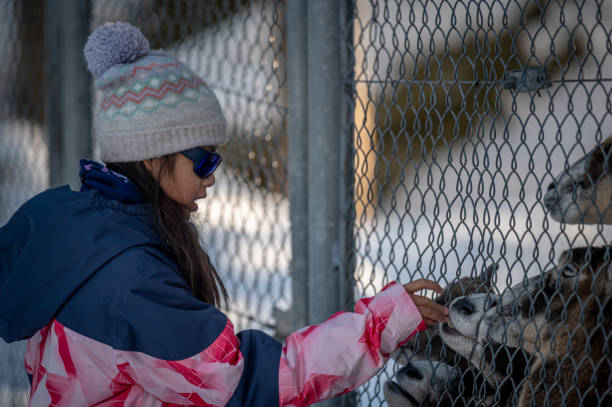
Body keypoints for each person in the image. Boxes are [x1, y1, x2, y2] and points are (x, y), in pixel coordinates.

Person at [0, 22, 449, 406]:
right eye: (203, 160)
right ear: (153, 158)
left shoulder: (66, 224)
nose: (212, 177)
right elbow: (247, 381)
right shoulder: (130, 281)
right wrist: (380, 323)